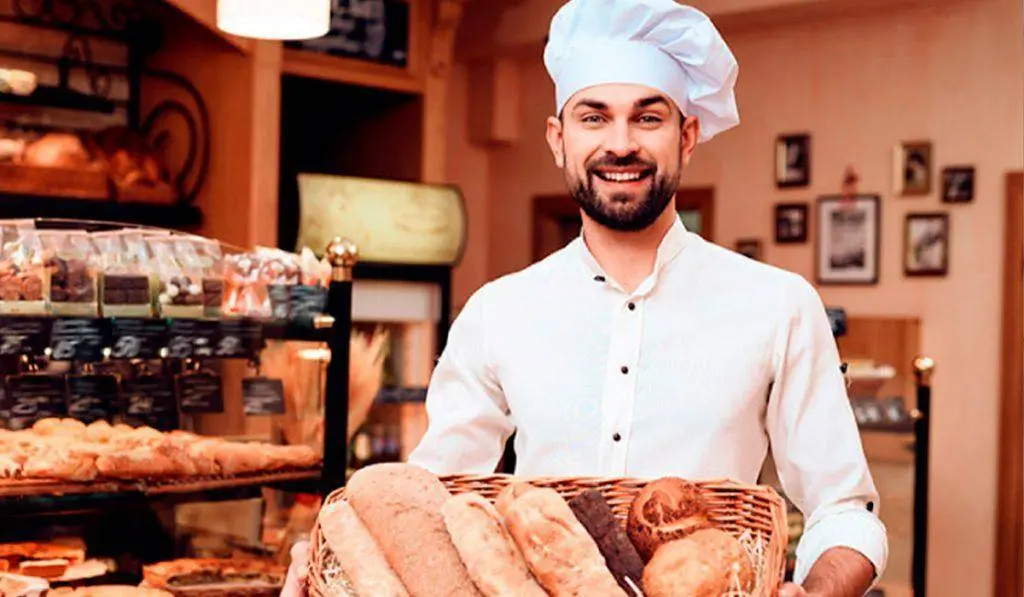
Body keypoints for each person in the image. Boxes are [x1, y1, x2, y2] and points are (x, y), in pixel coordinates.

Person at [282, 1, 887, 595]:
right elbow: (432, 494)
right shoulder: (498, 313)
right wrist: (333, 561)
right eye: (593, 117)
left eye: (648, 118)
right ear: (557, 138)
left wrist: (815, 592)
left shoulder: (777, 306)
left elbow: (845, 510)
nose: (620, 144)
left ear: (689, 135)